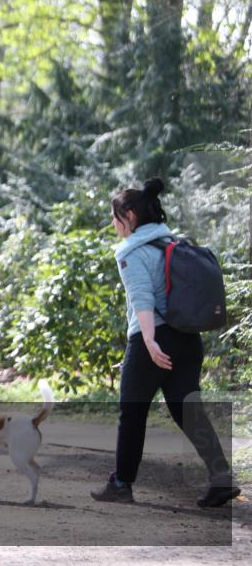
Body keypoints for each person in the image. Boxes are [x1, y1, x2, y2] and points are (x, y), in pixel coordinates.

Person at [91, 177, 240, 508]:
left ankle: (121, 484)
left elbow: (142, 299)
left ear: (129, 215)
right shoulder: (174, 242)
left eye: (115, 217)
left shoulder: (131, 252)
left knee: (132, 412)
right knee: (188, 410)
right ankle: (221, 478)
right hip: (188, 340)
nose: (112, 224)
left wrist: (149, 341)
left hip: (153, 341)